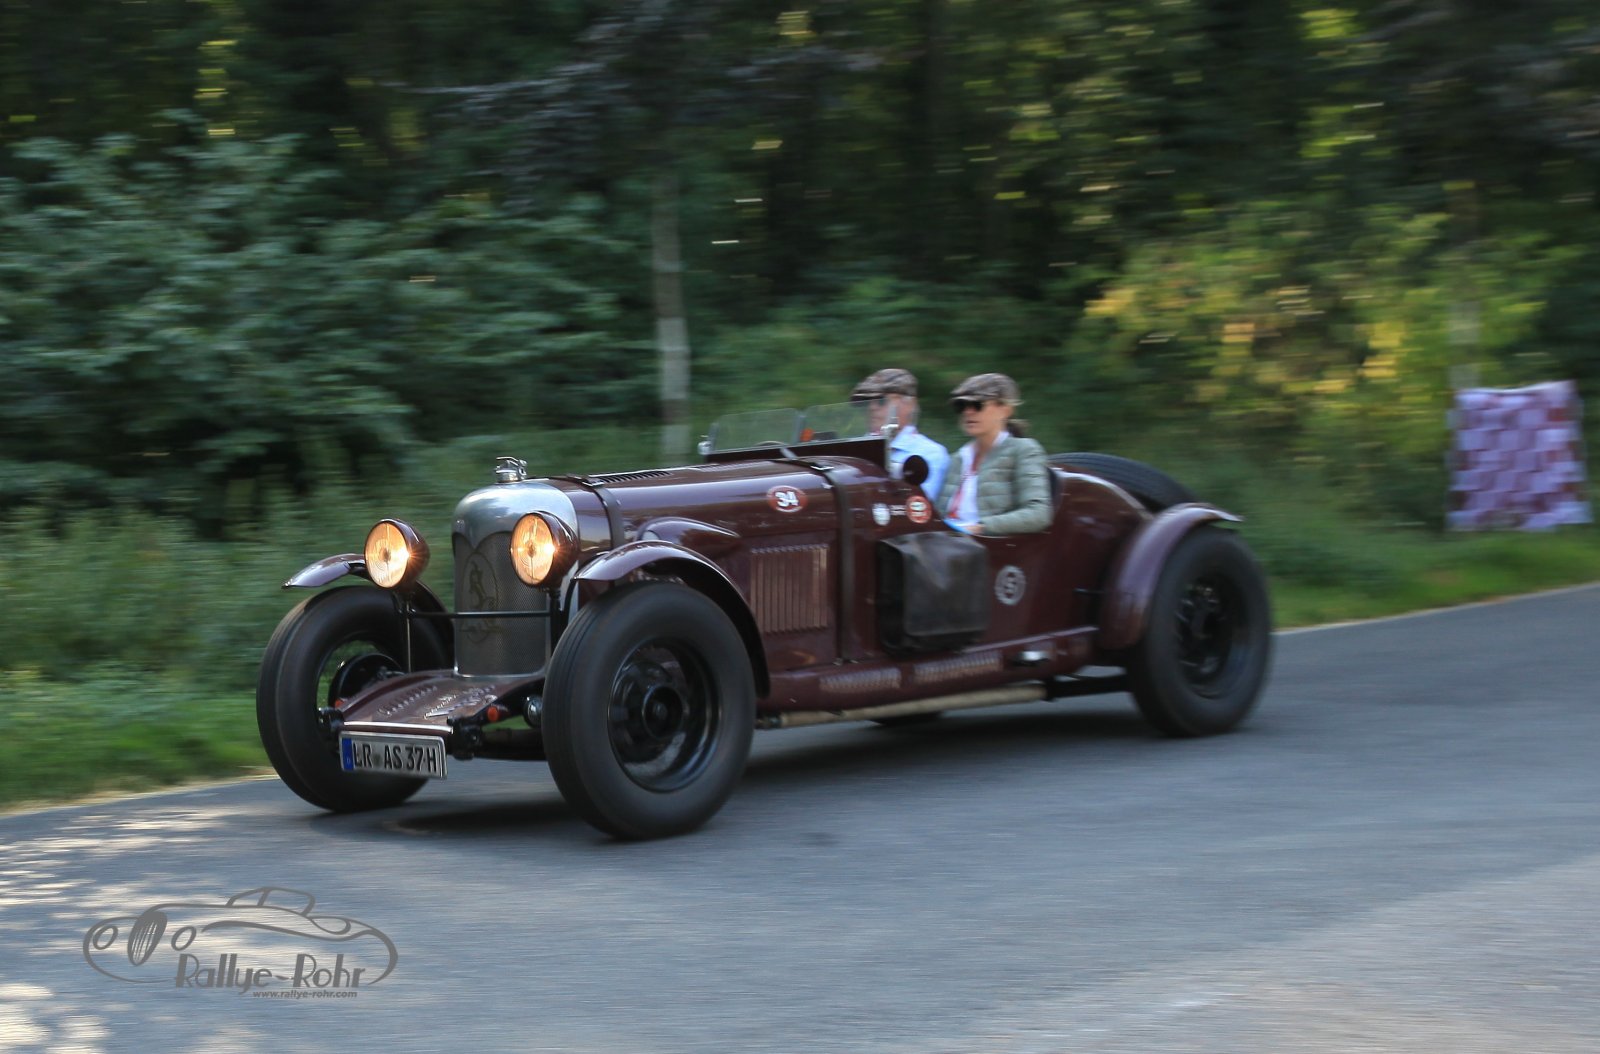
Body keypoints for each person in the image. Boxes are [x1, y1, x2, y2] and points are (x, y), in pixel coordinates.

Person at [938, 373, 1052, 535]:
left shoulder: (1024, 450)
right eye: (961, 405)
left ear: (1005, 410)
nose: (968, 412)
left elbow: (1038, 514)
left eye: (977, 405)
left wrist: (981, 528)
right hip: (946, 540)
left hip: (985, 544)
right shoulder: (957, 458)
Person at [850, 368, 950, 500]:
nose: (872, 407)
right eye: (867, 401)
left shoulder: (930, 453)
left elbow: (918, 503)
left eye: (881, 400)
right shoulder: (855, 448)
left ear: (909, 405)